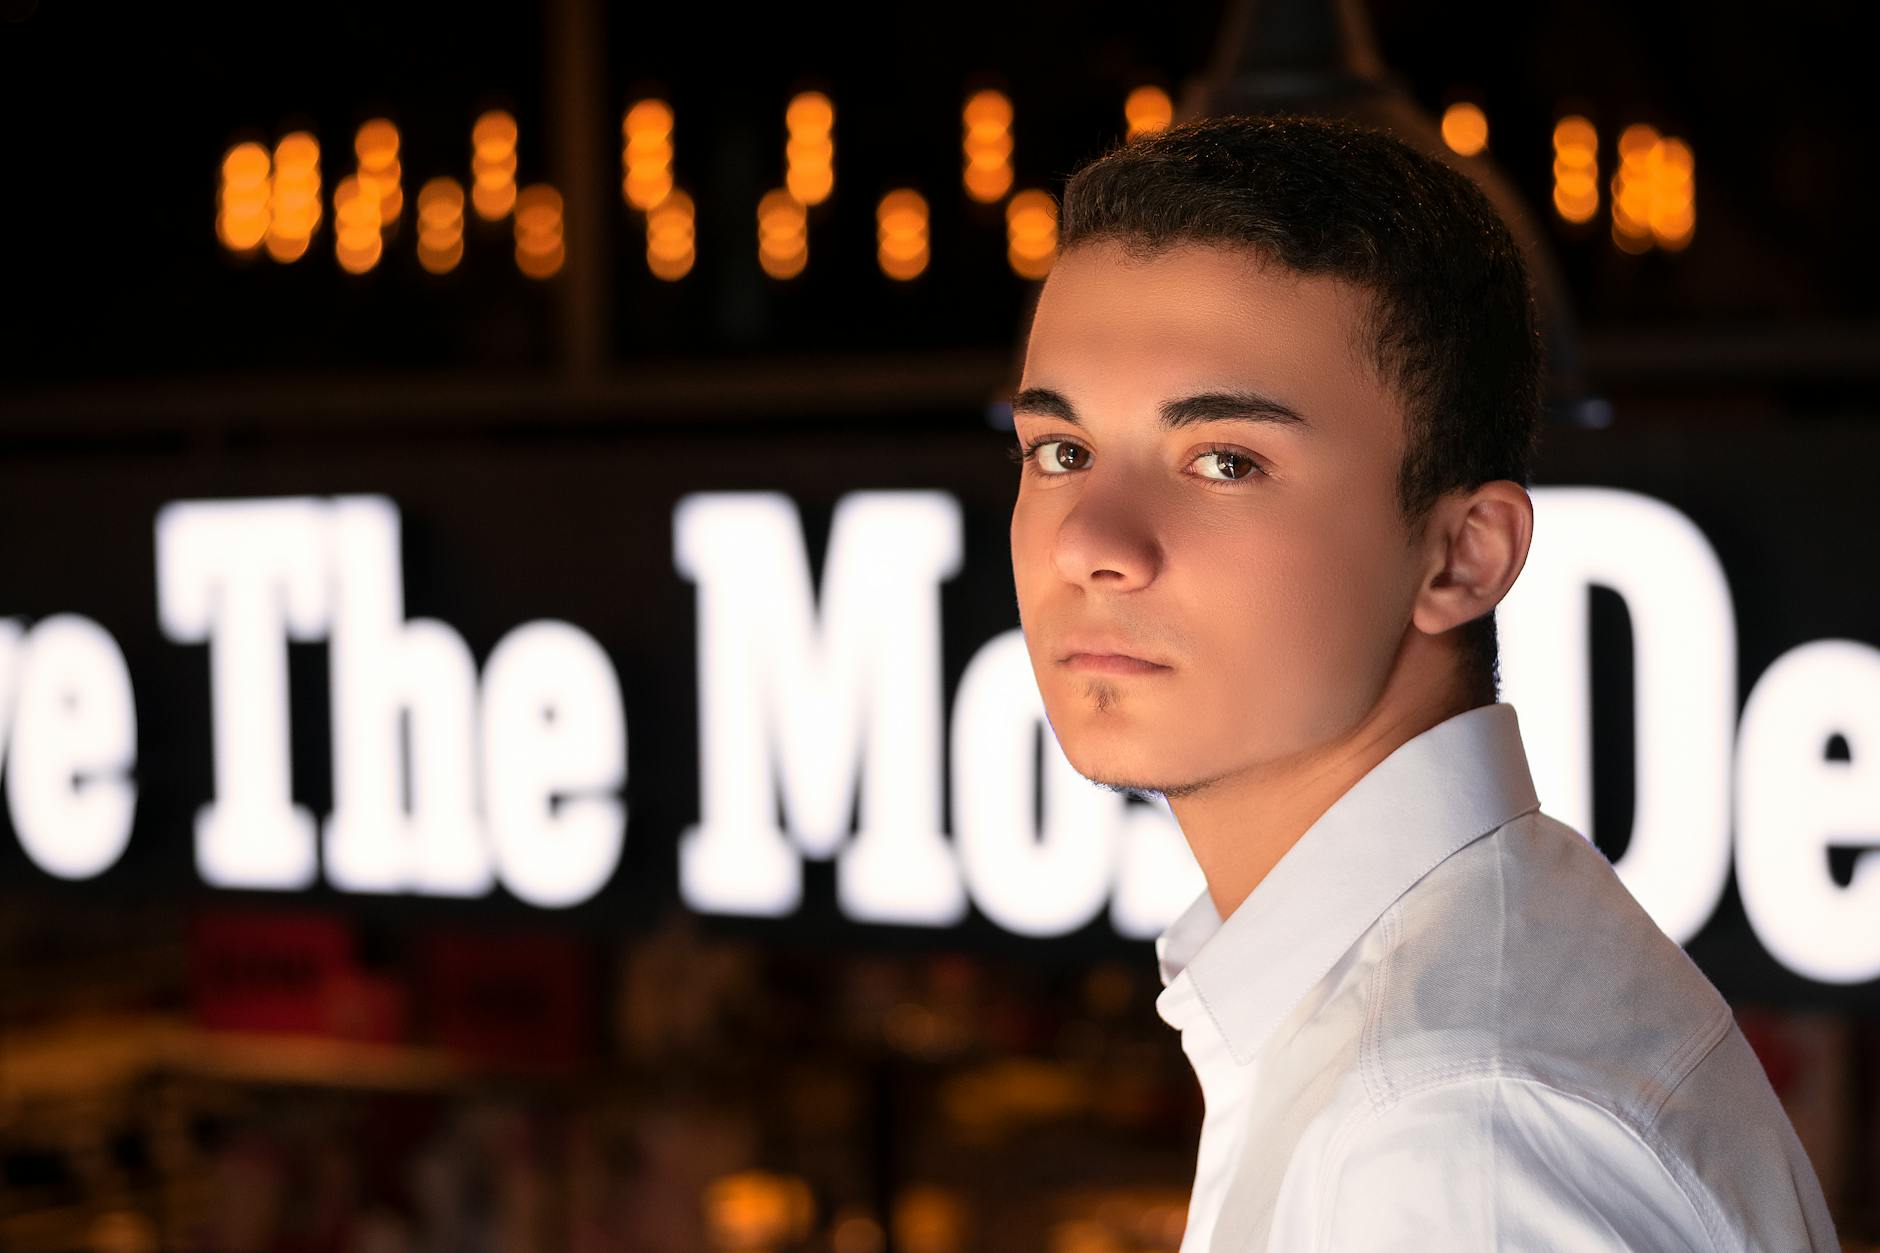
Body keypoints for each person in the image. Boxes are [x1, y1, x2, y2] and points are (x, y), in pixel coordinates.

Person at [1006, 113, 1836, 1251]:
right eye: (1060, 450)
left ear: (1462, 556)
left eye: (1225, 460)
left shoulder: (1446, 1123)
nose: (1089, 541)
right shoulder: (1411, 1032)